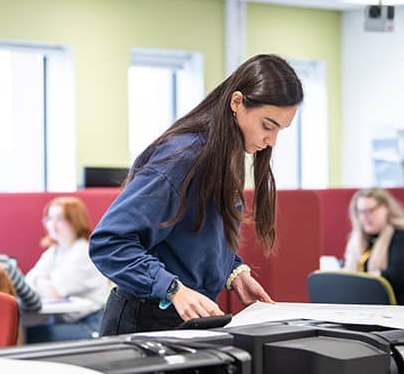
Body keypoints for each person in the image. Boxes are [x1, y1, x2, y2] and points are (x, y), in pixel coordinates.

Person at [89, 53, 304, 335]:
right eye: (267, 126)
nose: (271, 141)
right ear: (237, 102)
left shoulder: (224, 155)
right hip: (144, 321)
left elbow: (195, 237)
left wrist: (234, 272)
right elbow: (109, 243)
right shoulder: (184, 157)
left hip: (187, 321)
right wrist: (173, 289)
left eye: (280, 131)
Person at [25, 197, 110, 343]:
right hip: (66, 321)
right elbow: (27, 283)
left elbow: (54, 292)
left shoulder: (83, 251)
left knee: (29, 336)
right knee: (23, 331)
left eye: (59, 219)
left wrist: (40, 280)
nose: (52, 225)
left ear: (75, 221)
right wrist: (42, 281)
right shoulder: (55, 250)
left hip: (91, 324)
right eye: (49, 219)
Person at [343, 188, 404, 305]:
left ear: (386, 208)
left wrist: (359, 280)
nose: (365, 216)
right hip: (373, 309)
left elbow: (395, 278)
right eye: (360, 212)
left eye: (370, 210)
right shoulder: (359, 241)